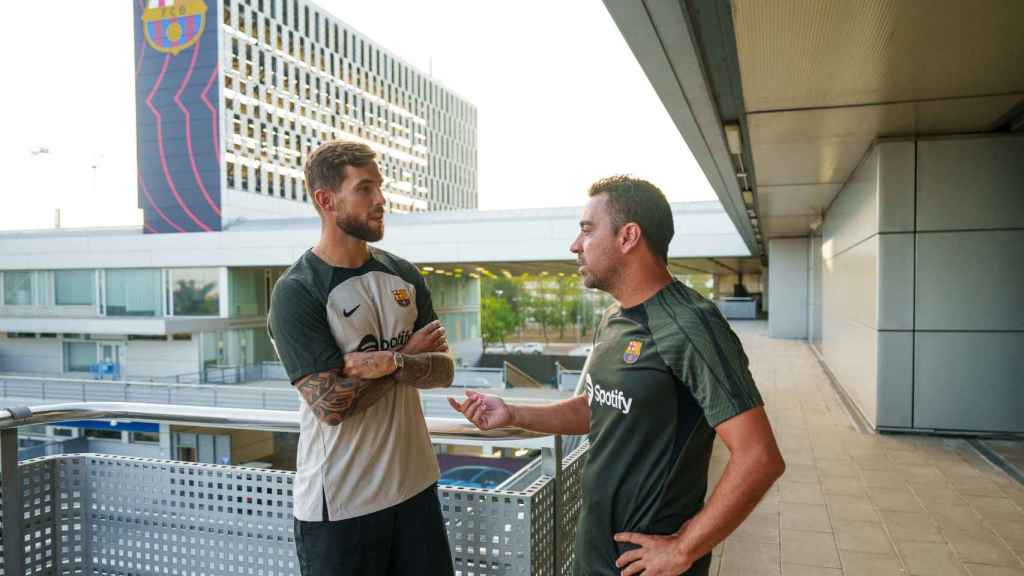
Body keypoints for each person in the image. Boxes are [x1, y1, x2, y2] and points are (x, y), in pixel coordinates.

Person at [450, 176, 785, 576]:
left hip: (650, 566)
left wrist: (683, 548)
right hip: (593, 555)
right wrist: (513, 413)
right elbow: (596, 408)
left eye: (588, 230)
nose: (576, 245)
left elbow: (760, 456)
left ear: (628, 237)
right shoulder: (613, 318)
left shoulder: (691, 326)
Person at [269, 140, 456, 576]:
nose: (381, 200)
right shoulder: (297, 291)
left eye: (380, 188)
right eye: (365, 189)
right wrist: (405, 359)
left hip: (415, 491)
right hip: (341, 507)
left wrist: (390, 363)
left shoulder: (404, 275)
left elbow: (444, 370)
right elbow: (331, 405)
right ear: (326, 200)